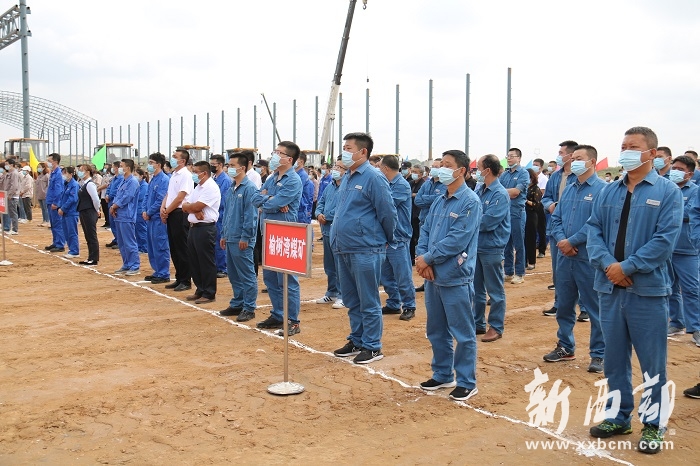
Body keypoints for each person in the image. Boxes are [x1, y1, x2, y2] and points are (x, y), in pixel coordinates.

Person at [587, 127, 682, 454]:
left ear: (652, 154)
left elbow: (665, 240)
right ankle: (618, 416)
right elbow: (593, 231)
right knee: (614, 360)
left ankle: (653, 424)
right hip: (610, 288)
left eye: (633, 147)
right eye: (623, 146)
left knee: (653, 363)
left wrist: (626, 267)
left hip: (647, 291)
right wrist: (608, 265)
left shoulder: (668, 192)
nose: (626, 151)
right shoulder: (609, 191)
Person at [416, 149, 482, 401]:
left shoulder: (470, 202)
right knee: (436, 329)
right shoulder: (439, 199)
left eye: (446, 165)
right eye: (440, 164)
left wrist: (428, 259)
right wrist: (422, 258)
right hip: (432, 274)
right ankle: (443, 374)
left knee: (462, 332)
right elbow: (425, 229)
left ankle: (466, 381)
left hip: (454, 275)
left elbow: (457, 239)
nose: (440, 169)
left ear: (461, 171)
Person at [331, 132, 396, 364]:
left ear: (363, 152)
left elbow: (388, 212)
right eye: (344, 148)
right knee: (351, 299)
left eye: (348, 148)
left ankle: (372, 346)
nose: (344, 153)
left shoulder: (374, 177)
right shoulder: (348, 176)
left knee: (368, 300)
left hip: (366, 247)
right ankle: (357, 339)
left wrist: (386, 238)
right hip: (344, 247)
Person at [543, 145, 606, 373]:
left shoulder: (603, 190)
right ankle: (565, 346)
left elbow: (597, 223)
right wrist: (562, 240)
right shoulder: (569, 188)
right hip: (564, 257)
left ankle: (599, 354)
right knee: (564, 306)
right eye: (573, 157)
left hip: (587, 258)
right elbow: (557, 218)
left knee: (595, 308)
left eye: (579, 158)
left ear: (592, 162)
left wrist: (572, 241)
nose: (573, 161)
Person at [252, 141, 304, 334]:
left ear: (289, 159)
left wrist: (269, 201)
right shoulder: (272, 177)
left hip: (285, 234)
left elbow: (275, 203)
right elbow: (255, 198)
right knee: (271, 278)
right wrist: (270, 200)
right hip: (268, 231)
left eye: (279, 153)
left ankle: (293, 320)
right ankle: (278, 314)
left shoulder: (293, 180)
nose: (274, 155)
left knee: (287, 281)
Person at [473, 154, 510, 342]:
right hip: (477, 246)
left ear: (487, 170)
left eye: (478, 168)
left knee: (494, 290)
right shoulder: (480, 189)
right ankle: (477, 322)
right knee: (476, 288)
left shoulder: (499, 194)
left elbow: (488, 221)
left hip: (492, 247)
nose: (476, 172)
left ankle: (496, 326)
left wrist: (468, 223)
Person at [219, 154, 258, 321]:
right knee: (234, 274)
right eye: (228, 165)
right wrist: (224, 234)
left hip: (242, 239)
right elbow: (227, 213)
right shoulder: (231, 188)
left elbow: (251, 216)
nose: (229, 168)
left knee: (247, 275)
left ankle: (249, 307)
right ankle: (237, 302)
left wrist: (246, 237)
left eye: (232, 165)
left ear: (242, 168)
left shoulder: (249, 188)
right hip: (230, 237)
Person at [541, 140, 578, 315]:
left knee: (581, 270)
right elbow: (546, 197)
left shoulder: (579, 176)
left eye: (561, 153)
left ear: (571, 155)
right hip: (556, 227)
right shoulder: (555, 176)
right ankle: (559, 303)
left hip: (576, 229)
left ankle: (584, 307)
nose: (558, 156)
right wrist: (550, 205)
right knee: (558, 269)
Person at [379, 154, 417, 321]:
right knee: (386, 274)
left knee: (402, 275)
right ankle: (394, 303)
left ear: (386, 168)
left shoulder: (401, 185)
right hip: (386, 236)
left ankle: (409, 305)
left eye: (379, 167)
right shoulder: (386, 183)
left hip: (398, 236)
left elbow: (386, 205)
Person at [666, 155, 700, 340]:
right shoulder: (667, 188)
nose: (675, 172)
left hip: (687, 250)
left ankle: (696, 328)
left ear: (690, 174)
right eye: (674, 168)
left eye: (680, 170)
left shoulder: (695, 191)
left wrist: (669, 211)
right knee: (670, 288)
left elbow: (690, 213)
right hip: (668, 249)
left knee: (691, 289)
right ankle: (677, 322)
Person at [182, 161, 220, 304]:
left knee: (205, 261)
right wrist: (193, 209)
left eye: (196, 172)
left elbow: (197, 206)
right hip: (194, 227)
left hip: (205, 228)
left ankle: (209, 293)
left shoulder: (211, 187)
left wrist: (193, 208)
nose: (193, 174)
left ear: (204, 173)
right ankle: (200, 289)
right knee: (194, 260)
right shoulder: (198, 187)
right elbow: (185, 204)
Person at [314, 158, 346, 310]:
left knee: (340, 265)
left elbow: (344, 207)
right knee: (329, 265)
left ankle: (343, 295)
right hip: (326, 230)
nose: (335, 170)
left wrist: (327, 216)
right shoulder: (330, 186)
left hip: (338, 231)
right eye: (335, 166)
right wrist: (318, 213)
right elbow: (320, 202)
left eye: (340, 167)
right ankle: (331, 292)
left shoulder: (347, 187)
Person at [161, 149, 195, 291]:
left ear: (182, 161)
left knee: (182, 248)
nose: (172, 158)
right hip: (171, 212)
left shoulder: (186, 175)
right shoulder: (174, 174)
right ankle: (179, 277)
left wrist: (167, 211)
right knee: (174, 248)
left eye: (175, 157)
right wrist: (163, 208)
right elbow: (169, 194)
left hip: (180, 213)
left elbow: (180, 197)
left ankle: (186, 280)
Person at [414, 159, 446, 292]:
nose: (434, 169)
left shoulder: (445, 184)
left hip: (437, 224)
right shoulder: (427, 183)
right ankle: (427, 280)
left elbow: (440, 199)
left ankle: (436, 279)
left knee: (434, 252)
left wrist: (427, 198)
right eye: (432, 166)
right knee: (424, 248)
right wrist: (431, 198)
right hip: (424, 222)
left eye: (437, 166)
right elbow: (417, 200)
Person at [500, 148, 530, 284]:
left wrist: (501, 192)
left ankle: (519, 273)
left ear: (519, 158)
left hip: (517, 212)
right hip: (504, 212)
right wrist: (505, 192)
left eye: (512, 156)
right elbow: (501, 190)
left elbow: (516, 192)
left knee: (518, 244)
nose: (509, 158)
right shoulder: (505, 174)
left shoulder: (523, 173)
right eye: (508, 156)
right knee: (506, 243)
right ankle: (508, 271)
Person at [143, 153, 171, 285]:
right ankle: (157, 271)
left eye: (151, 163)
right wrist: (144, 210)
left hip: (158, 219)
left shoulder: (164, 180)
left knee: (160, 245)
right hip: (150, 218)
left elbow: (160, 200)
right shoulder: (153, 179)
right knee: (152, 246)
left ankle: (163, 273)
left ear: (158, 165)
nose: (149, 165)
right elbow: (147, 196)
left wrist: (149, 212)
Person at [110, 159, 140, 275]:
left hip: (127, 215)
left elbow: (127, 197)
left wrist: (115, 206)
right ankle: (127, 264)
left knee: (129, 242)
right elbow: (118, 195)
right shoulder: (123, 180)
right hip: (119, 215)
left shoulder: (132, 182)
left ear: (127, 168)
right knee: (122, 243)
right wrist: (114, 206)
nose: (119, 168)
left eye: (121, 166)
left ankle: (134, 266)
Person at [210, 154, 232, 279]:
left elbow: (223, 200)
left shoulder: (225, 180)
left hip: (221, 215)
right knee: (214, 242)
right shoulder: (214, 178)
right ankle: (216, 266)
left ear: (220, 165)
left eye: (214, 164)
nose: (212, 166)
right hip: (214, 215)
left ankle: (223, 268)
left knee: (220, 242)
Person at [76, 164, 101, 265]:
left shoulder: (90, 184)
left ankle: (94, 258)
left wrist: (97, 209)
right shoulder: (84, 184)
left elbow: (95, 199)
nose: (79, 172)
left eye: (81, 170)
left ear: (87, 172)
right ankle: (90, 256)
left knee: (91, 235)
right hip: (84, 211)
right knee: (88, 235)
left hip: (89, 211)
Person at [45, 153, 66, 252]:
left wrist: (56, 202)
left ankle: (60, 244)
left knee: (58, 224)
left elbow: (59, 190)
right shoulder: (53, 173)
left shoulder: (58, 174)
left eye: (49, 161)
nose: (48, 163)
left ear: (55, 162)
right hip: (50, 201)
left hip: (54, 202)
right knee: (53, 224)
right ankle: (55, 242)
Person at [57, 167, 80, 258]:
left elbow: (73, 199)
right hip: (65, 212)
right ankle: (71, 249)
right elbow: (62, 197)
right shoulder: (66, 184)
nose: (63, 175)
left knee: (72, 232)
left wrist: (63, 208)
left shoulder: (74, 185)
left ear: (71, 174)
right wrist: (60, 207)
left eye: (65, 173)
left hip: (71, 212)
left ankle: (74, 251)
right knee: (66, 231)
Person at [253, 158, 269, 276]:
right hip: (259, 211)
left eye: (259, 167)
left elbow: (269, 196)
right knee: (258, 237)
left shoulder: (266, 179)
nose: (257, 169)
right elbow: (257, 196)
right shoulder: (267, 180)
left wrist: (265, 198)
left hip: (264, 212)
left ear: (264, 167)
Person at [524, 168, 542, 270]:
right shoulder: (524, 188)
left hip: (531, 215)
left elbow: (536, 205)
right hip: (523, 214)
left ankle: (531, 261)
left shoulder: (536, 189)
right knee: (523, 239)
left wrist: (526, 201)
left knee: (530, 239)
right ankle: (524, 261)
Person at [532, 158, 548, 258]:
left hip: (539, 206)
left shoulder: (543, 179)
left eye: (536, 165)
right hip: (530, 206)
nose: (534, 166)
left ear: (541, 167)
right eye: (533, 164)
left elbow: (541, 193)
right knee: (531, 229)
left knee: (541, 229)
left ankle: (542, 250)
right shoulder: (531, 177)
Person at [409, 164, 425, 265]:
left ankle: (418, 257)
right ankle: (411, 258)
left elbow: (421, 197)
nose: (413, 174)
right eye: (413, 171)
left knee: (418, 237)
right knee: (410, 237)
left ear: (421, 174)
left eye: (416, 172)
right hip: (410, 213)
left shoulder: (423, 184)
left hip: (418, 214)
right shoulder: (410, 183)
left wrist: (414, 195)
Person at [105, 161, 123, 249]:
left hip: (115, 202)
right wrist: (107, 195)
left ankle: (119, 241)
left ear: (116, 168)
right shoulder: (114, 178)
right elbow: (109, 188)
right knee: (112, 223)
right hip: (110, 202)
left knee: (116, 224)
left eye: (113, 167)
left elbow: (117, 190)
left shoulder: (121, 178)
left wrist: (110, 196)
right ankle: (116, 239)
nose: (112, 169)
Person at [295, 151, 314, 225]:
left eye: (295, 158)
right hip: (298, 210)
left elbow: (294, 192)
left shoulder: (302, 175)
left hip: (300, 211)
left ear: (301, 162)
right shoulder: (296, 174)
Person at [3, 160, 21, 234]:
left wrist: (10, 194)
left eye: (7, 164)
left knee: (13, 213)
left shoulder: (14, 173)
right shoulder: (9, 173)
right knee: (10, 213)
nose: (6, 166)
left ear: (12, 165)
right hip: (8, 195)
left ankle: (14, 229)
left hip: (12, 196)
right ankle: (10, 228)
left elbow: (14, 186)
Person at [134, 168, 149, 254]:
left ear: (141, 176)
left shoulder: (144, 186)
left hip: (140, 210)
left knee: (142, 229)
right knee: (137, 230)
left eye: (136, 175)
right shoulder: (138, 185)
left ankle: (144, 247)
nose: (134, 177)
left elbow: (140, 197)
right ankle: (140, 246)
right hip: (136, 210)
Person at [97, 163, 113, 228]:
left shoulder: (111, 177)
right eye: (104, 168)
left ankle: (109, 222)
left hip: (107, 195)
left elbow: (107, 185)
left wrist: (98, 188)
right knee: (104, 209)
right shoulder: (104, 176)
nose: (104, 169)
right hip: (103, 195)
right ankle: (107, 221)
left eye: (106, 168)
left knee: (107, 209)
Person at [35, 162, 50, 226]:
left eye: (40, 167)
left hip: (44, 195)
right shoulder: (39, 176)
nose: (38, 168)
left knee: (45, 208)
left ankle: (47, 220)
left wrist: (46, 192)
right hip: (39, 194)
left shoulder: (47, 176)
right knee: (42, 209)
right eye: (38, 167)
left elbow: (48, 185)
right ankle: (44, 220)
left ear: (44, 168)